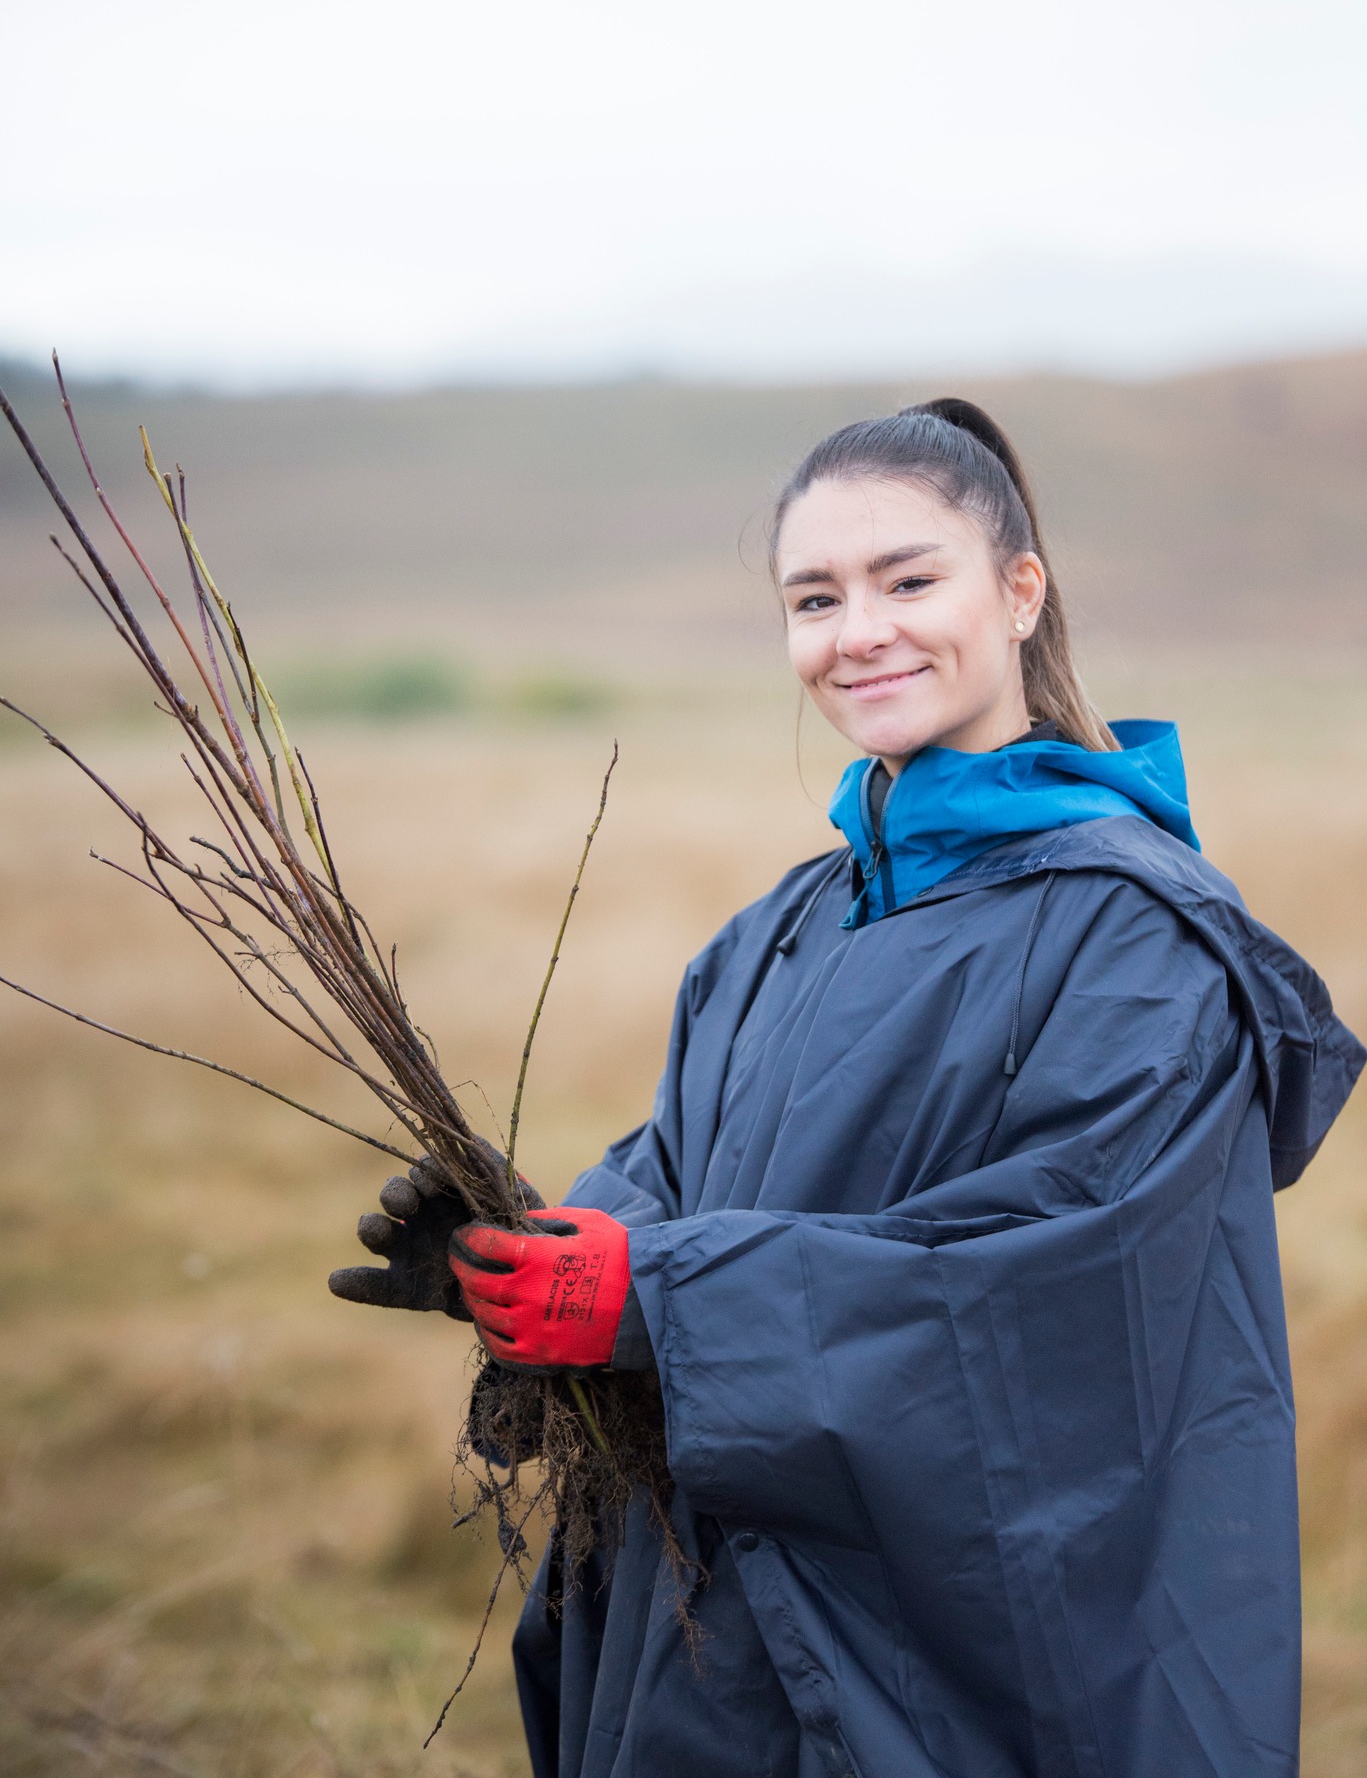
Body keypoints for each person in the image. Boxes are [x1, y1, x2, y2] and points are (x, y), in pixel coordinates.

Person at [332, 400, 1364, 1778]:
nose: (859, 630)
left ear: (1018, 591)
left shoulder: (1136, 938)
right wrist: (527, 1258)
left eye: (908, 580)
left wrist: (663, 1303)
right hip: (731, 1626)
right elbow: (677, 1184)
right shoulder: (777, 933)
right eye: (814, 598)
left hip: (983, 1659)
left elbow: (1050, 1293)